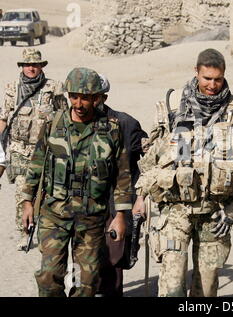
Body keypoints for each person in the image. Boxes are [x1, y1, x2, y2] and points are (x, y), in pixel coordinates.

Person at [134, 48, 233, 297]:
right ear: (196, 72)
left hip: (213, 215)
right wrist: (141, 198)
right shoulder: (171, 108)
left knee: (207, 288)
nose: (212, 85)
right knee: (172, 287)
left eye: (218, 79)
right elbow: (152, 159)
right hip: (175, 212)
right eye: (207, 78)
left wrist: (231, 213)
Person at [21, 67, 133, 297]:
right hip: (55, 215)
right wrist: (27, 201)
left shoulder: (111, 130)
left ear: (96, 98)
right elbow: (36, 164)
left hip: (92, 219)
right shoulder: (53, 124)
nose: (79, 103)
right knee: (49, 277)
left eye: (85, 98)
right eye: (74, 97)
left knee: (88, 282)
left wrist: (121, 216)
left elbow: (122, 176)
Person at [0, 48, 67, 251]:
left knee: (46, 193)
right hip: (20, 150)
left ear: (41, 66)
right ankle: (24, 233)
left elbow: (64, 116)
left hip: (47, 151)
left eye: (35, 64)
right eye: (27, 65)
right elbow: (3, 118)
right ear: (22, 66)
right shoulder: (12, 88)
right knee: (23, 192)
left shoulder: (53, 87)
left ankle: (44, 230)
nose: (31, 68)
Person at [95, 74, 148, 297]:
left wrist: (140, 198)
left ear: (102, 97)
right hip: (82, 206)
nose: (83, 102)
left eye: (91, 96)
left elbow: (146, 163)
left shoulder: (126, 124)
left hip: (115, 204)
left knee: (114, 259)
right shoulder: (70, 123)